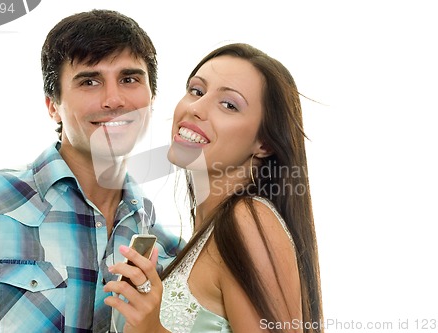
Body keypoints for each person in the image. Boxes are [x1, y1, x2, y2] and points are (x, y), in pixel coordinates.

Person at [0, 9, 183, 332]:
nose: (114, 99)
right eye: (89, 81)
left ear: (151, 99)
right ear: (53, 106)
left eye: (129, 79)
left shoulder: (168, 250)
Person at [104, 43, 324, 333]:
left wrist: (153, 329)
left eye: (229, 105)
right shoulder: (206, 231)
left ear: (265, 143)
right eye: (196, 91)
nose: (195, 108)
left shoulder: (249, 222)